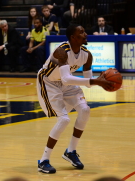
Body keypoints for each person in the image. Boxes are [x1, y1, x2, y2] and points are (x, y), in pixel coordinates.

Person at [37, 24, 114, 174]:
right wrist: (96, 81)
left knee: (85, 110)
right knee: (64, 119)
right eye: (82, 32)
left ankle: (70, 151)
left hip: (66, 84)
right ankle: (43, 160)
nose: (86, 34)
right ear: (73, 37)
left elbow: (88, 81)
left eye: (85, 31)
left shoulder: (87, 55)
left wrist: (99, 80)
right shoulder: (62, 52)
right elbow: (66, 78)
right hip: (49, 82)